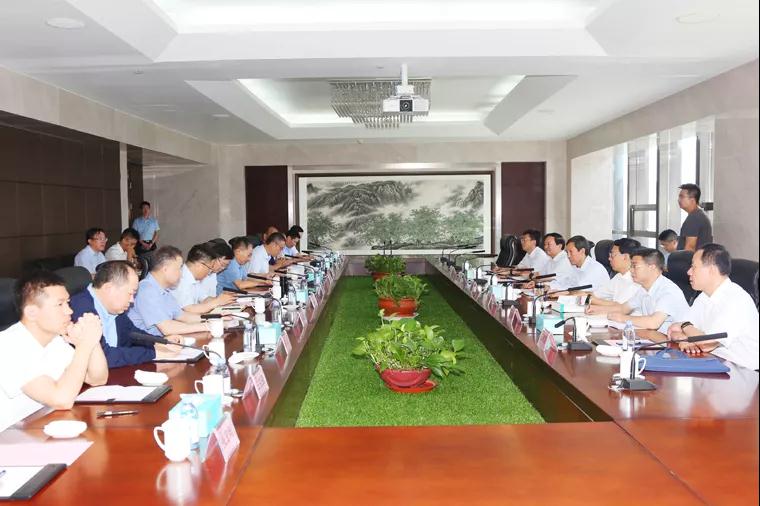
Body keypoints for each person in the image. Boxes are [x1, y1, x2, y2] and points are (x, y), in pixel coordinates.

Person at [0, 271, 108, 429]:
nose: (69, 311)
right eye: (60, 304)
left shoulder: (55, 340)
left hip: (41, 426)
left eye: (68, 303)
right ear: (32, 313)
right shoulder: (9, 346)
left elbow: (97, 379)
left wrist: (92, 340)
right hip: (10, 437)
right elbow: (61, 400)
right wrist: (83, 346)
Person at [70, 261, 181, 368]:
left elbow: (132, 333)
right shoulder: (81, 309)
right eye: (130, 293)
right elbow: (104, 356)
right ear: (109, 288)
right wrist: (153, 354)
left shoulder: (113, 308)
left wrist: (161, 341)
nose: (132, 300)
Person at [668, 244, 759, 370]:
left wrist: (685, 326)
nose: (689, 272)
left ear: (711, 270)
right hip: (715, 361)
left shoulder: (735, 300)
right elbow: (673, 330)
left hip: (743, 371)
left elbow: (705, 343)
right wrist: (685, 340)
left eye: (694, 267)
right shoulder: (704, 296)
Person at [128, 246, 209, 336]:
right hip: (148, 343)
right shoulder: (146, 290)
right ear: (165, 269)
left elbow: (182, 316)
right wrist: (207, 326)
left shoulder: (164, 290)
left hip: (165, 339)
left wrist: (212, 320)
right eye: (179, 268)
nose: (181, 274)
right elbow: (167, 328)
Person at [607, 248, 689, 333]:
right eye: (631, 266)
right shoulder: (644, 288)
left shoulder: (669, 291)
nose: (631, 270)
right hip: (654, 336)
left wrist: (622, 318)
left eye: (635, 266)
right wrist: (599, 311)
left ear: (652, 267)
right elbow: (623, 308)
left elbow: (653, 323)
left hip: (673, 339)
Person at [170, 244, 236, 313]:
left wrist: (224, 299)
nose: (210, 272)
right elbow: (188, 309)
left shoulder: (194, 278)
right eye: (210, 268)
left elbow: (204, 298)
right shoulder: (181, 279)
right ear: (200, 265)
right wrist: (217, 302)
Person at [586, 238, 642, 312]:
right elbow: (596, 294)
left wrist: (590, 299)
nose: (609, 258)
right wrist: (580, 295)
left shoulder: (636, 281)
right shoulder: (619, 276)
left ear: (625, 257)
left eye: (612, 255)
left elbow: (621, 307)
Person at [677, 184, 713, 251]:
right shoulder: (698, 215)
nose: (678, 200)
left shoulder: (694, 218)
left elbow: (690, 248)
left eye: (682, 197)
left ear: (692, 200)